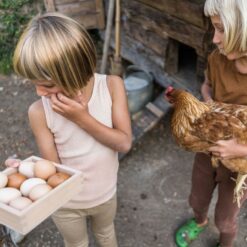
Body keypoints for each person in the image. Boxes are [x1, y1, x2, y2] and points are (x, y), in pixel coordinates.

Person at [10, 12, 132, 247]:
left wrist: (81, 118)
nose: (39, 93)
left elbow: (124, 143)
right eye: (33, 83)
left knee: (106, 234)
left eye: (46, 85)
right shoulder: (39, 112)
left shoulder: (111, 87)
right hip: (66, 203)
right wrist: (26, 172)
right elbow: (53, 168)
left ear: (74, 71)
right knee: (75, 243)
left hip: (105, 195)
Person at [175, 0, 247, 247]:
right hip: (208, 150)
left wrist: (240, 150)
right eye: (214, 28)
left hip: (239, 165)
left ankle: (226, 241)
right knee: (197, 198)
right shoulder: (217, 59)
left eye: (222, 29)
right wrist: (206, 104)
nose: (215, 39)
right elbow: (208, 86)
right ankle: (199, 220)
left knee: (226, 219)